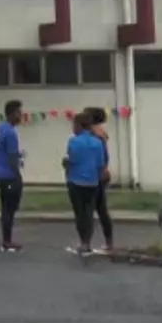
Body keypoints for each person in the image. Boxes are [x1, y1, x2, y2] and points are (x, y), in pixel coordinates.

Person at [64, 112, 107, 255]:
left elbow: (71, 161)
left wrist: (66, 168)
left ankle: (82, 241)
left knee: (79, 213)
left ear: (79, 126)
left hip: (76, 181)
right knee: (89, 213)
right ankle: (87, 242)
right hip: (92, 182)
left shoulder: (73, 142)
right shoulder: (97, 142)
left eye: (74, 125)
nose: (72, 128)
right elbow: (100, 164)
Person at [0, 99, 25, 252]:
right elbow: (12, 157)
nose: (21, 116)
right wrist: (17, 175)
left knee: (5, 207)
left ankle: (6, 239)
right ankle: (7, 241)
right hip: (9, 175)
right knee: (10, 208)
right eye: (19, 113)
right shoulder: (10, 132)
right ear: (11, 114)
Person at [84, 107, 115, 252]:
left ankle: (87, 242)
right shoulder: (100, 133)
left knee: (89, 210)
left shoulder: (93, 134)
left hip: (94, 175)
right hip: (100, 174)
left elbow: (101, 156)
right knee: (101, 209)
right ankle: (109, 242)